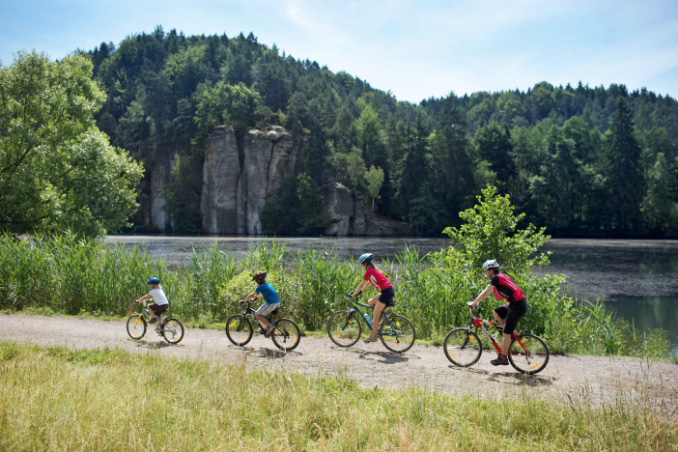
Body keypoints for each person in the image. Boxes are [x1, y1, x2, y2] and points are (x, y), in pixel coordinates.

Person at [470, 259, 527, 365]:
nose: (485, 273)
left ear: (491, 270)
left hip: (517, 306)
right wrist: (478, 302)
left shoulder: (496, 278)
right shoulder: (499, 278)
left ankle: (503, 357)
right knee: (496, 312)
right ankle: (506, 334)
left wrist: (474, 303)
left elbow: (486, 291)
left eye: (486, 271)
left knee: (506, 332)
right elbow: (489, 292)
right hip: (514, 304)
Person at [350, 253, 395, 343]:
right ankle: (380, 321)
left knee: (375, 315)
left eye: (361, 263)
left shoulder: (369, 271)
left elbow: (361, 284)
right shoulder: (373, 270)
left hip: (386, 293)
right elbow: (368, 283)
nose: (361, 265)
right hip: (386, 291)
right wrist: (361, 291)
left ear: (365, 263)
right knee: (370, 302)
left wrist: (353, 295)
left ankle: (374, 336)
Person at [240, 271, 280, 336]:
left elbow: (252, 295)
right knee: (261, 310)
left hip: (272, 304)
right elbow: (269, 294)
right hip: (277, 303)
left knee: (257, 314)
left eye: (256, 280)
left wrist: (244, 301)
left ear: (258, 280)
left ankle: (269, 327)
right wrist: (258, 297)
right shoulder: (267, 284)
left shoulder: (261, 286)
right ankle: (264, 328)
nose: (256, 282)